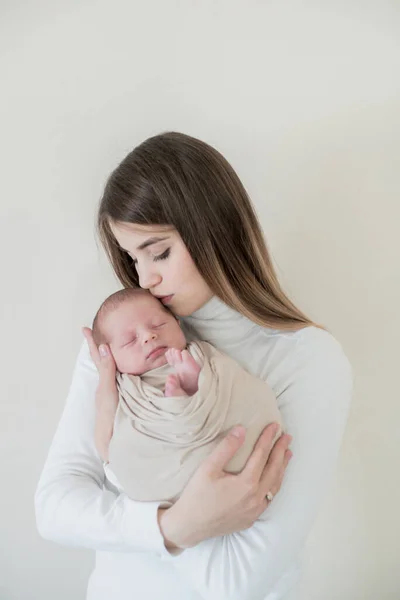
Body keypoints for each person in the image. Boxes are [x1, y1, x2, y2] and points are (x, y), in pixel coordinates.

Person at [35, 131, 353, 600]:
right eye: (132, 257)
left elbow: (236, 580)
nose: (146, 278)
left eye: (159, 251)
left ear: (215, 227)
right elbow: (53, 508)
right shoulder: (124, 342)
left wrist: (120, 470)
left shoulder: (307, 361)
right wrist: (174, 524)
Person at [90, 287, 283, 503]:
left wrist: (205, 381)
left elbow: (233, 384)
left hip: (233, 443)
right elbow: (121, 449)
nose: (148, 336)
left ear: (178, 323)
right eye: (130, 340)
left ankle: (193, 387)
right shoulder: (124, 389)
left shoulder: (202, 354)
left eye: (158, 325)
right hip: (170, 473)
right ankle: (180, 398)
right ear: (111, 357)